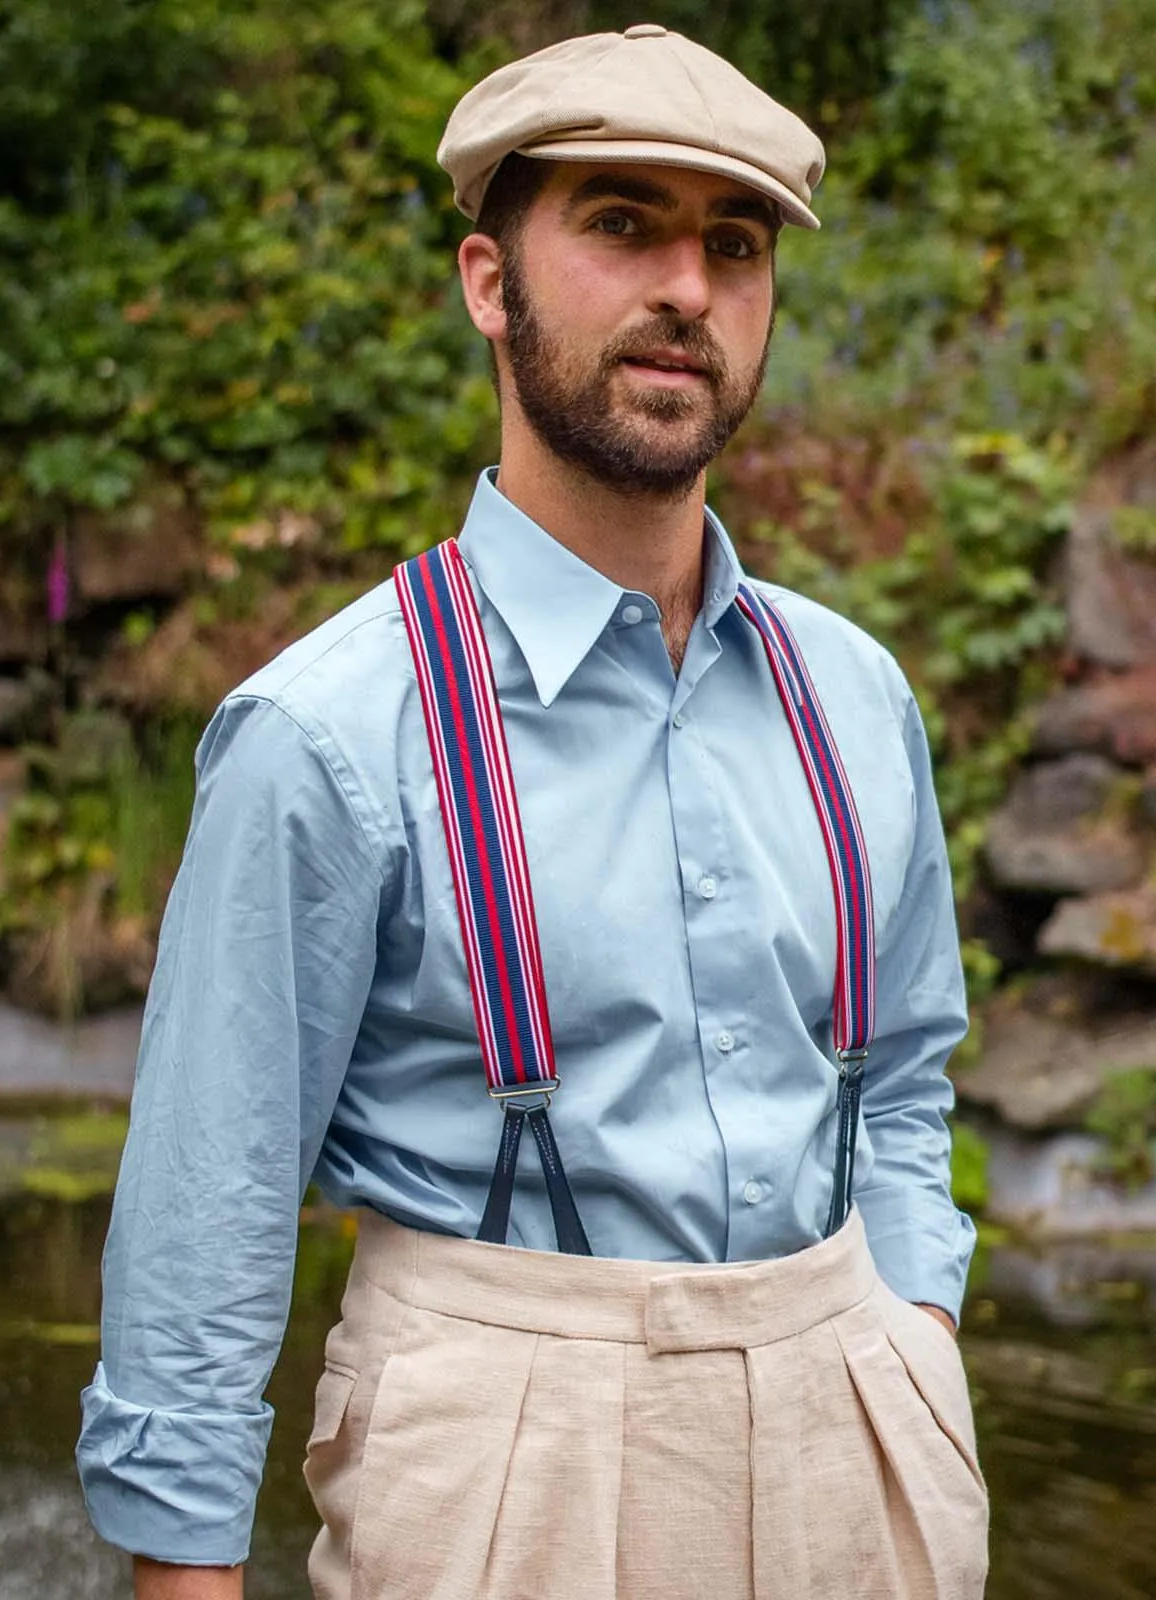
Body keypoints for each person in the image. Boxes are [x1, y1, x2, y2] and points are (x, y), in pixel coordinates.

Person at [77, 23, 989, 1600]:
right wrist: (184, 1574)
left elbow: (903, 1073)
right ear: (488, 283)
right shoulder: (329, 733)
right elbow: (207, 1216)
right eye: (624, 224)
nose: (689, 291)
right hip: (506, 1466)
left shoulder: (857, 697)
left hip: (861, 1436)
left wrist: (911, 1330)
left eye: (736, 243)